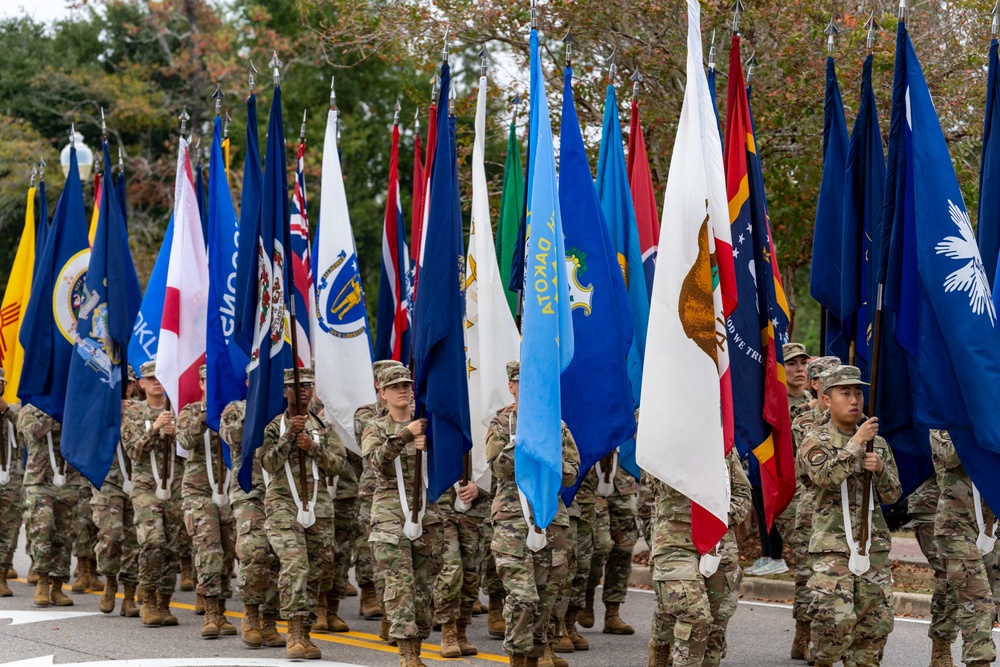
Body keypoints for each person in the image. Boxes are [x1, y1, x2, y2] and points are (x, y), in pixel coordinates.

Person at [801, 365, 901, 667]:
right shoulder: (814, 439)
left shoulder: (879, 444)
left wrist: (880, 470)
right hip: (833, 548)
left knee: (873, 627)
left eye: (858, 392)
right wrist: (856, 444)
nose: (855, 399)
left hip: (872, 546)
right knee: (834, 625)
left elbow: (893, 495)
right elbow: (826, 478)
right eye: (845, 393)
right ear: (828, 400)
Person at [486, 360, 580, 667]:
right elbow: (499, 468)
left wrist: (550, 457)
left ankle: (535, 656)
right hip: (512, 522)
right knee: (523, 597)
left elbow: (571, 474)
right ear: (511, 386)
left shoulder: (557, 426)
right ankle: (517, 658)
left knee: (546, 599)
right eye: (520, 383)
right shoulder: (500, 425)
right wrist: (523, 441)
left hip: (550, 521)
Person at [259, 367, 345, 661]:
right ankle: (293, 634)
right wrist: (288, 438)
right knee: (296, 564)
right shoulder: (273, 427)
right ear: (286, 392)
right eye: (297, 385)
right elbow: (268, 464)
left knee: (319, 571)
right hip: (282, 504)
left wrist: (312, 448)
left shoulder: (323, 428)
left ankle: (306, 632)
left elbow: (337, 466)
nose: (304, 389)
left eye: (309, 384)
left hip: (318, 506)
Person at [361, 364, 441, 666]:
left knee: (423, 588)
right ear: (382, 393)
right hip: (389, 516)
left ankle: (417, 647)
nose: (404, 390)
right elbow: (375, 464)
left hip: (426, 515)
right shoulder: (375, 427)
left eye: (407, 385)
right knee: (400, 585)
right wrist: (405, 436)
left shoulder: (429, 426)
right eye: (395, 387)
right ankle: (407, 655)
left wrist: (427, 441)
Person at [121, 361, 185, 627]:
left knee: (172, 546)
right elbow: (133, 451)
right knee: (153, 540)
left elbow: (193, 450)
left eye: (161, 377)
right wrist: (155, 428)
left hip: (176, 486)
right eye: (150, 378)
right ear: (142, 384)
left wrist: (178, 434)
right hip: (146, 486)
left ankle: (163, 602)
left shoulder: (180, 411)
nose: (157, 382)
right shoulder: (134, 414)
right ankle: (147, 599)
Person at [176, 365, 237, 639]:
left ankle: (221, 608)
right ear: (200, 383)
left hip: (230, 491)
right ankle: (211, 612)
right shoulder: (189, 411)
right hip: (198, 491)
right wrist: (203, 417)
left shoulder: (234, 411)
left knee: (228, 552)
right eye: (206, 380)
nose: (210, 384)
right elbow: (185, 441)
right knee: (209, 551)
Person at [219, 397, 283, 649]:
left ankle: (269, 619)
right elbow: (233, 436)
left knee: (278, 555)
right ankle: (251, 612)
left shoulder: (288, 407)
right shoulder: (235, 408)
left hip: (282, 492)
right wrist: (257, 412)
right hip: (249, 491)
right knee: (255, 550)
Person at [929, 430, 996, 667]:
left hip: (993, 523)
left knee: (992, 598)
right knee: (977, 598)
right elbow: (950, 456)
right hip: (956, 525)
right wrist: (976, 422)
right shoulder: (943, 425)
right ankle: (971, 658)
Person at [787, 355, 840, 660]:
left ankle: (824, 638)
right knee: (808, 573)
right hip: (812, 506)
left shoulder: (851, 418)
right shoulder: (804, 420)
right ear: (817, 385)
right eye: (830, 379)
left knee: (832, 577)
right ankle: (803, 633)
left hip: (841, 507)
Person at [354, 359, 403, 623]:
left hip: (408, 493)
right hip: (374, 491)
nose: (401, 389)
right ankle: (372, 596)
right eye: (392, 383)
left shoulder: (413, 412)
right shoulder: (366, 414)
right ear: (379, 386)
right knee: (375, 551)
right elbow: (371, 442)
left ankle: (394, 614)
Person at [19, 400, 78, 607]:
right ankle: (42, 581)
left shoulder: (70, 407)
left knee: (64, 535)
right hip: (39, 481)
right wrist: (54, 412)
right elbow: (33, 433)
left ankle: (58, 586)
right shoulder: (29, 411)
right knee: (42, 530)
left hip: (66, 480)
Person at [91, 369, 140, 617]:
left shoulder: (141, 410)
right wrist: (111, 414)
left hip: (138, 481)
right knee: (111, 534)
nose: (127, 388)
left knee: (134, 540)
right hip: (108, 480)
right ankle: (110, 580)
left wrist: (129, 415)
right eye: (123, 383)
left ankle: (129, 594)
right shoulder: (98, 409)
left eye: (130, 383)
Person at [702, 448, 753, 667]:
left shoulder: (724, 447)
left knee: (719, 614)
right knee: (688, 612)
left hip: (721, 538)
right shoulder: (670, 441)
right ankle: (664, 650)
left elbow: (743, 493)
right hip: (678, 539)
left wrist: (721, 516)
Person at [433, 459, 489, 657]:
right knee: (451, 569)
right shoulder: (435, 427)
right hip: (441, 506)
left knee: (471, 574)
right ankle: (448, 631)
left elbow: (499, 469)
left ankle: (462, 631)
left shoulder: (485, 428)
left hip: (474, 510)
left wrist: (480, 488)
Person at [908, 473, 957, 666]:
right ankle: (941, 648)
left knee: (986, 581)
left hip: (983, 510)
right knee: (950, 575)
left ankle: (980, 649)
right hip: (933, 506)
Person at [0, 368, 23, 598]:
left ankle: (1, 576)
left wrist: (6, 409)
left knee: (9, 530)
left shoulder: (14, 411)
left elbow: (29, 431)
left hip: (12, 480)